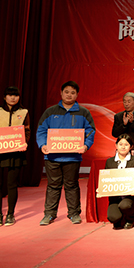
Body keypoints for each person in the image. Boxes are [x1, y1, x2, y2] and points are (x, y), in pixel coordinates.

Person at [37, 81, 95, 225]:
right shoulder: (50, 111)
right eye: (67, 92)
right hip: (52, 156)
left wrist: (85, 145)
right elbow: (41, 130)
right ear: (61, 93)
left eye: (73, 93)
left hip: (72, 157)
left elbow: (90, 131)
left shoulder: (83, 112)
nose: (69, 95)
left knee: (72, 185)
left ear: (77, 95)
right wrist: (43, 145)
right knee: (53, 186)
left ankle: (74, 213)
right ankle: (49, 214)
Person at [0, 86, 30, 226]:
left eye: (16, 95)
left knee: (12, 184)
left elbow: (27, 131)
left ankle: (10, 214)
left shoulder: (24, 112)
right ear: (4, 97)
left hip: (15, 152)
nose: (13, 98)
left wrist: (25, 142)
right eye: (10, 95)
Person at [104, 134, 134, 229]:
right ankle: (119, 219)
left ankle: (130, 219)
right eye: (120, 144)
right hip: (115, 196)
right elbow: (106, 178)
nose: (123, 147)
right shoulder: (110, 161)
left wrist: (133, 187)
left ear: (131, 146)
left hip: (129, 195)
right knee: (113, 218)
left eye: (126, 144)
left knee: (125, 205)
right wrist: (102, 187)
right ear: (116, 145)